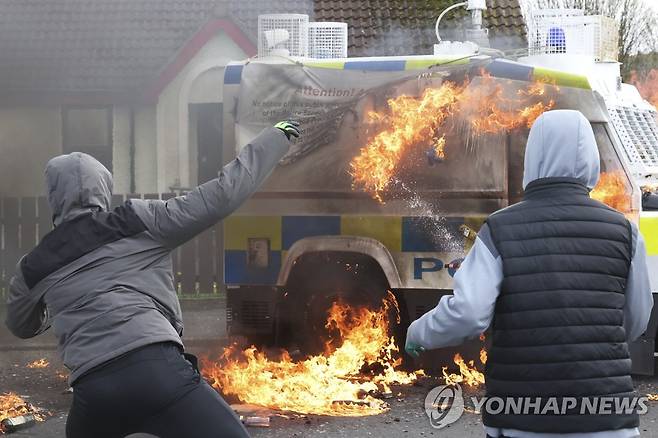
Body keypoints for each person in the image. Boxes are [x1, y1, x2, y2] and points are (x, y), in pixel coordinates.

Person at [5, 121, 301, 438]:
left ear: (52, 196)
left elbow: (21, 325)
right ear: (103, 188)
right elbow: (222, 195)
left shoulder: (34, 265)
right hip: (157, 371)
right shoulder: (139, 220)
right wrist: (275, 137)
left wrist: (51, 308)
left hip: (93, 392)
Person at [405, 110, 652, 438]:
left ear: (533, 156)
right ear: (591, 158)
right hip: (607, 417)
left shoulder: (500, 228)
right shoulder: (626, 231)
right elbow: (635, 321)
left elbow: (468, 314)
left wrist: (419, 333)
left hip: (522, 417)